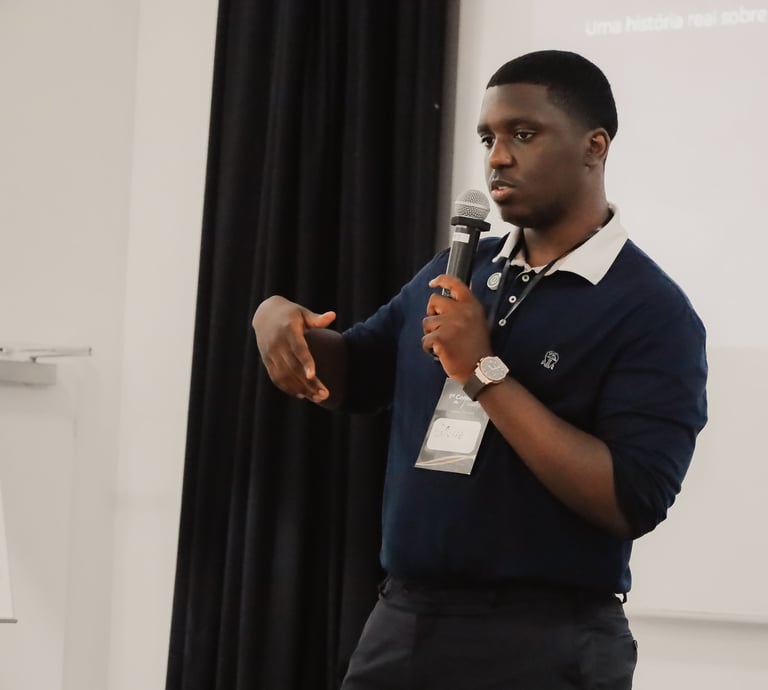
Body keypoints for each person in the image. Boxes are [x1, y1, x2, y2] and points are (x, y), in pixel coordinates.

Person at [252, 50, 707, 690]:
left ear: (594, 147)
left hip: (545, 643)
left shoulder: (650, 310)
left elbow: (629, 498)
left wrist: (483, 372)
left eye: (523, 134)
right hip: (403, 622)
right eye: (488, 137)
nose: (497, 156)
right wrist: (277, 319)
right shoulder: (462, 267)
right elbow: (357, 372)